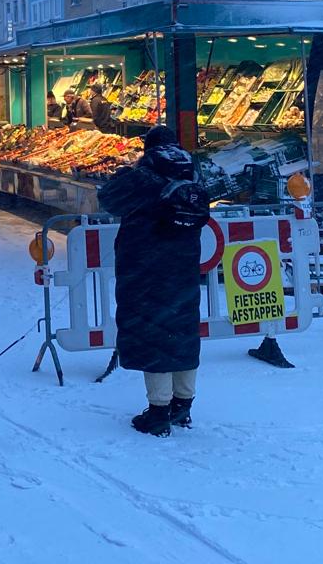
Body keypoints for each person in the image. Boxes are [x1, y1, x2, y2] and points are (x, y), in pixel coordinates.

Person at [100, 125, 210, 437]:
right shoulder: (193, 173)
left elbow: (108, 200)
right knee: (183, 332)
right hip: (184, 265)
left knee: (154, 334)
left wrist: (124, 174)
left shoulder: (143, 176)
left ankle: (159, 411)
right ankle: (183, 405)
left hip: (145, 268)